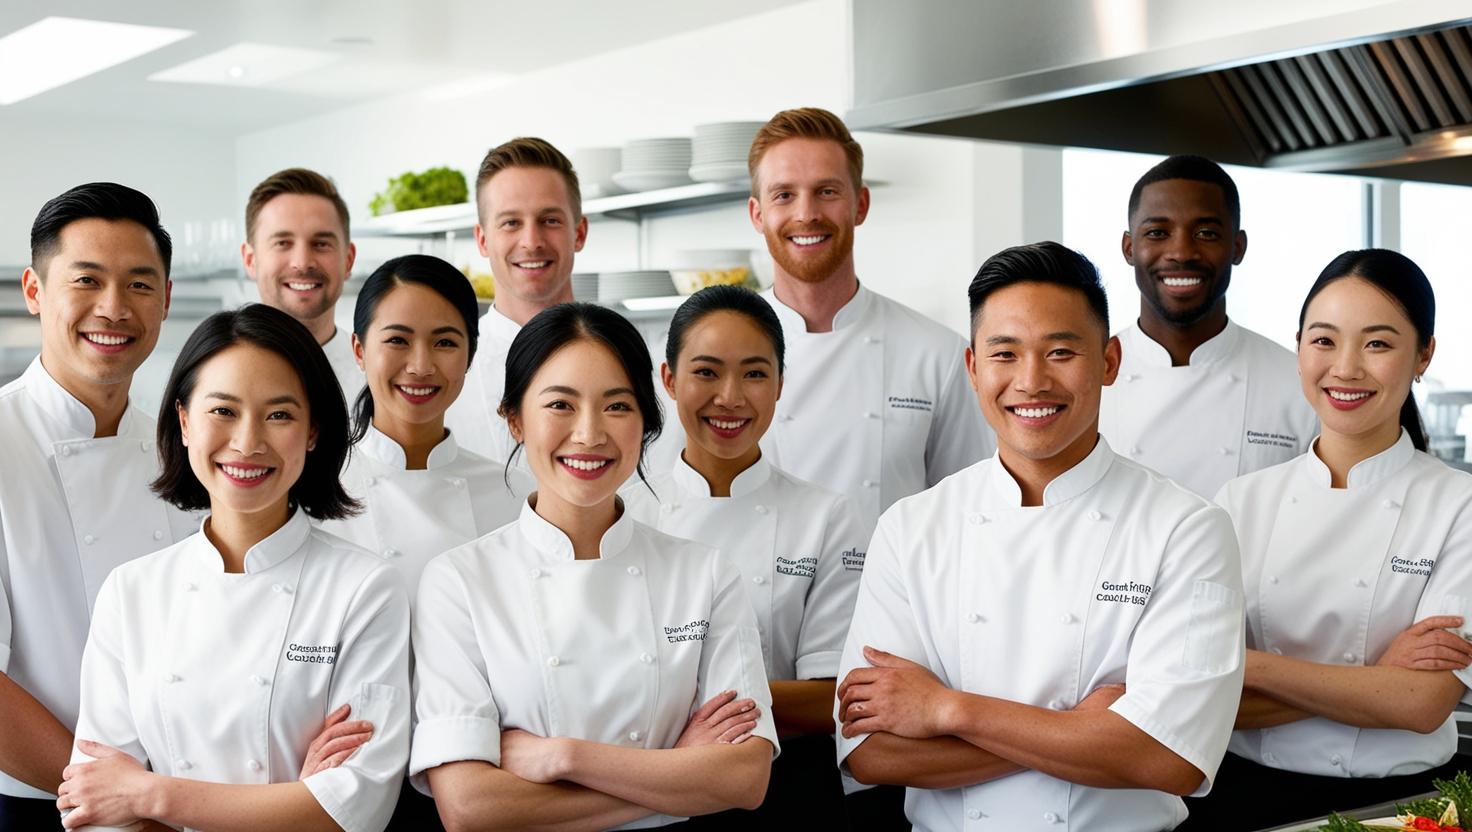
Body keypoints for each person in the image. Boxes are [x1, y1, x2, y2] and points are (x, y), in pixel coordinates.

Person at [835, 242, 1244, 830]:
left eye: (1060, 351)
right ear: (974, 368)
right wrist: (1086, 732)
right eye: (1005, 353)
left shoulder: (1186, 529)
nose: (1031, 381)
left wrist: (944, 708)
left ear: (1108, 362)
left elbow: (1168, 757)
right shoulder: (910, 528)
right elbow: (871, 751)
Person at [411, 302, 777, 830]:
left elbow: (744, 779)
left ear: (646, 423)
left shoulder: (706, 575)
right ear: (514, 419)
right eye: (560, 404)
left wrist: (563, 757)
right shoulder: (460, 582)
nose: (588, 434)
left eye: (617, 406)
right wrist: (678, 774)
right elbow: (469, 808)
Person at [57, 304, 410, 832]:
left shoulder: (364, 590)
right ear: (183, 420)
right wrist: (292, 801)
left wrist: (150, 793)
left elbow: (355, 808)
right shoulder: (132, 591)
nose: (248, 443)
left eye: (279, 415)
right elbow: (95, 804)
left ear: (313, 431)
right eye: (223, 411)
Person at [1183, 250, 1472, 830]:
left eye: (1377, 344)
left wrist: (1242, 663)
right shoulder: (1239, 502)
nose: (1345, 368)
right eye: (1323, 340)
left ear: (1424, 357)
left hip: (1403, 809)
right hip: (1244, 798)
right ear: (1298, 350)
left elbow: (1420, 705)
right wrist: (1377, 679)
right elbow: (1198, 698)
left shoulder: (1458, 506)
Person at [624, 285, 867, 826]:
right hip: (649, 783)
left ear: (780, 384)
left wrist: (680, 702)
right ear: (668, 380)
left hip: (791, 788)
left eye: (755, 374)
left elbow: (834, 696)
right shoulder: (625, 510)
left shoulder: (827, 517)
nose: (730, 397)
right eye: (706, 372)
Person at [0, 183, 197, 830]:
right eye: (87, 281)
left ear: (166, 299)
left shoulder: (185, 449)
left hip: (182, 798)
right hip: (35, 804)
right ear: (35, 291)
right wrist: (116, 804)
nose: (114, 309)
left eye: (140, 285)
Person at [747, 107, 992, 535]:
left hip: (895, 600)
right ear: (757, 214)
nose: (806, 214)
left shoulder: (938, 354)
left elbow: (970, 511)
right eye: (784, 194)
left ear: (860, 205)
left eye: (827, 191)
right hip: (751, 601)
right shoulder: (713, 357)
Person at [1100, 154, 1316, 498]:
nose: (1182, 252)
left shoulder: (1300, 384)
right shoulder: (1085, 380)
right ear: (1129, 248)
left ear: (1237, 246)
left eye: (1206, 233)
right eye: (1157, 232)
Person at [323, 253, 531, 602]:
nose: (420, 367)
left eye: (445, 342)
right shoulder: (319, 492)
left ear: (470, 355)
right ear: (359, 350)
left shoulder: (515, 495)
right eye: (397, 341)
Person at [443, 138, 587, 464]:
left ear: (579, 233)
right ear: (482, 239)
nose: (532, 242)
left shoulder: (628, 360)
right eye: (511, 223)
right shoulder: (445, 370)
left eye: (550, 220)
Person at [241, 167, 362, 397]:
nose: (302, 263)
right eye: (282, 243)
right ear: (250, 260)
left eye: (321, 244)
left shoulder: (380, 380)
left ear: (348, 260)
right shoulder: (215, 375)